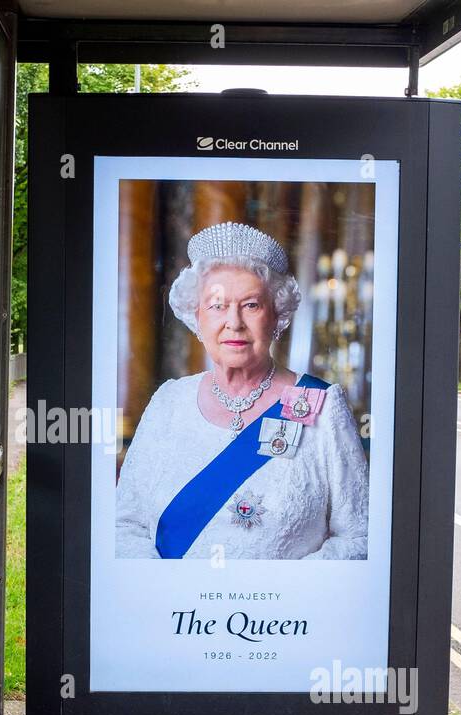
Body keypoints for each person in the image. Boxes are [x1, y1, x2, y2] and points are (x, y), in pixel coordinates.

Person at [115, 221, 368, 560]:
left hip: (282, 613)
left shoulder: (319, 405)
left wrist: (282, 595)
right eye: (217, 305)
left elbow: (359, 535)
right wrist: (167, 596)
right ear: (197, 317)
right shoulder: (167, 403)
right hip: (179, 613)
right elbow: (125, 526)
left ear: (276, 315)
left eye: (251, 305)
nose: (233, 322)